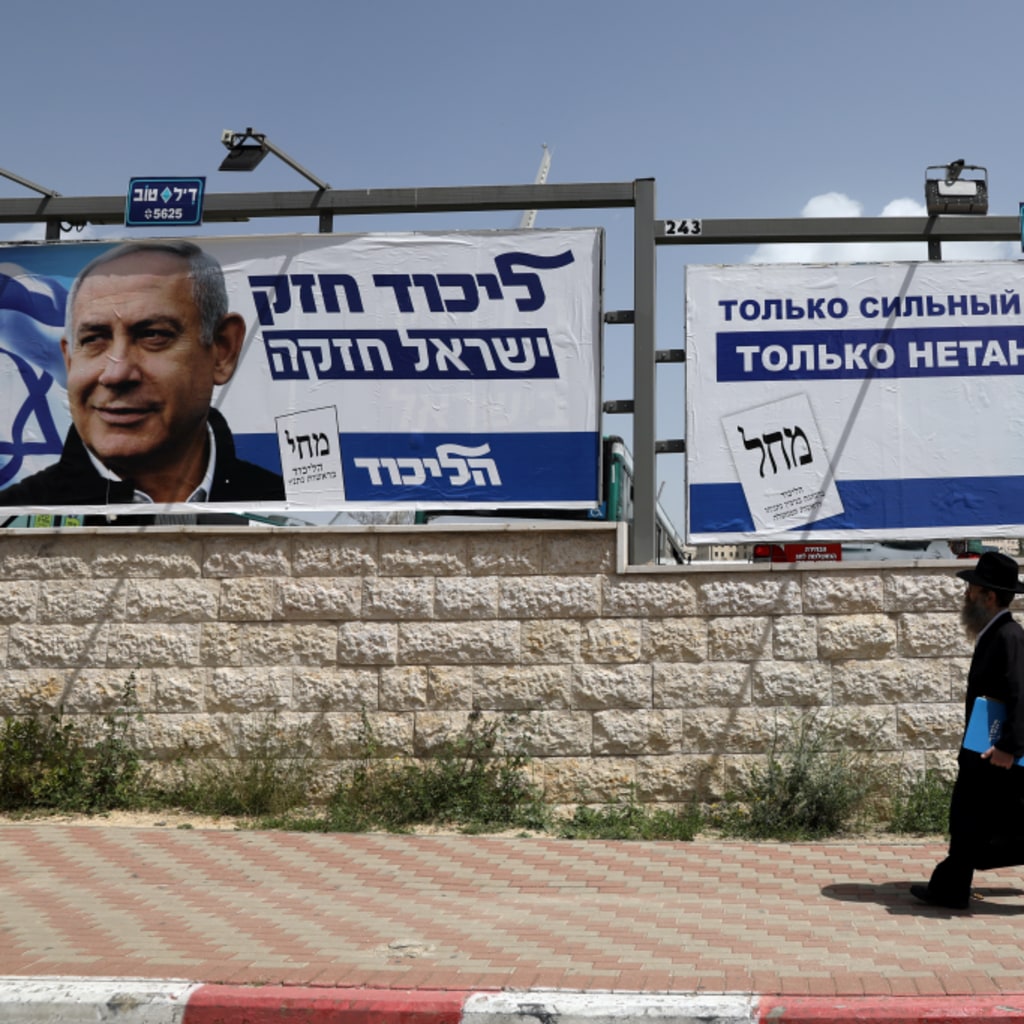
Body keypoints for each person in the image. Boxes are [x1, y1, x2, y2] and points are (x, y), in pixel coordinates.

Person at [0, 239, 284, 510]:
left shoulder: (279, 504)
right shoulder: (12, 514)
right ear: (70, 360)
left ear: (223, 350)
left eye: (153, 335)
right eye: (94, 339)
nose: (116, 373)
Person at [911, 550, 1024, 910]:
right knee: (973, 819)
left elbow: (1022, 694)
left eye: (972, 590)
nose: (966, 596)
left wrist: (1010, 746)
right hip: (985, 749)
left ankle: (950, 888)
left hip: (997, 753)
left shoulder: (1009, 636)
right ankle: (951, 887)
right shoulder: (994, 634)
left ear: (989, 596)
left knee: (978, 818)